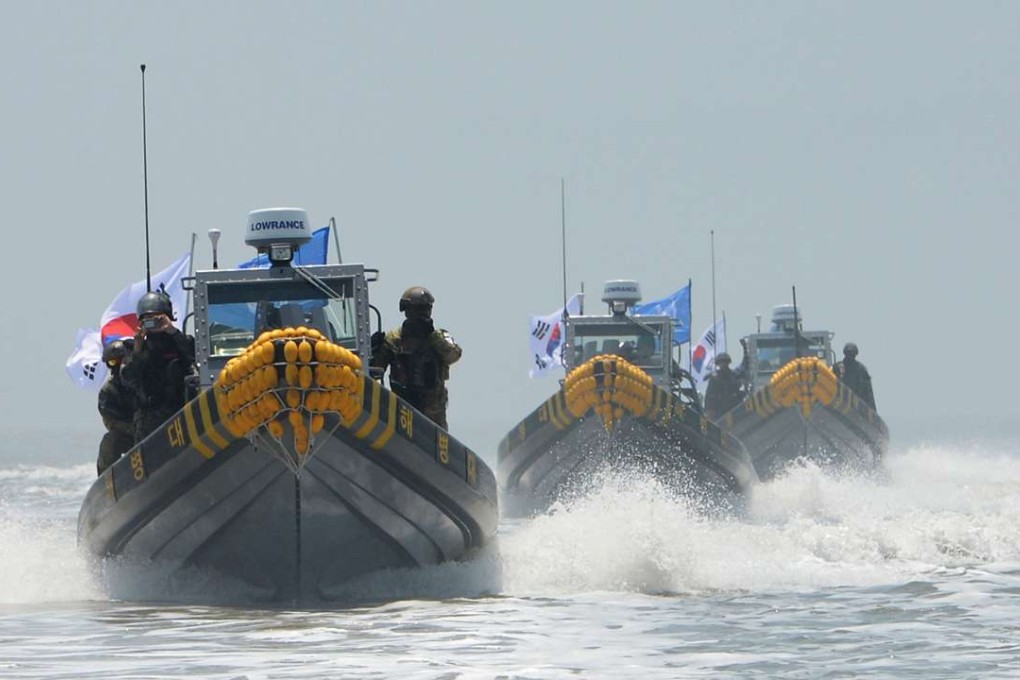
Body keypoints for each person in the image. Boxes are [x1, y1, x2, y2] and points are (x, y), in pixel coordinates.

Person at [370, 286, 462, 429]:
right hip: (403, 408)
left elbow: (454, 355)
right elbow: (375, 369)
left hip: (433, 412)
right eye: (418, 309)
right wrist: (374, 350)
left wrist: (433, 337)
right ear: (407, 310)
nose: (422, 313)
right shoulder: (395, 339)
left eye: (425, 309)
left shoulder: (437, 337)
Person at [120, 290, 198, 444]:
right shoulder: (136, 349)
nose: (153, 324)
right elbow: (128, 379)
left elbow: (194, 355)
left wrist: (172, 331)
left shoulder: (180, 342)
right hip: (150, 418)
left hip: (181, 410)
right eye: (147, 320)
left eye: (157, 319)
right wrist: (138, 350)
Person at [96, 339, 136, 475]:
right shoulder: (108, 391)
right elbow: (111, 421)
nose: (118, 366)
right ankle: (107, 484)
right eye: (113, 362)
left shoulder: (144, 378)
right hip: (130, 433)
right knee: (110, 442)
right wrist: (133, 428)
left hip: (154, 426)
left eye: (122, 360)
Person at [833, 342, 876, 410]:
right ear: (845, 353)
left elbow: (868, 392)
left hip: (857, 405)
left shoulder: (861, 369)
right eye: (848, 353)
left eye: (852, 354)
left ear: (855, 354)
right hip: (839, 403)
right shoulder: (837, 367)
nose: (850, 356)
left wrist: (872, 411)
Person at [704, 352, 745, 420]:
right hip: (719, 410)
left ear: (728, 363)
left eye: (725, 362)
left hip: (734, 408)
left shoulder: (734, 375)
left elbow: (738, 389)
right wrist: (710, 412)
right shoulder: (714, 379)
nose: (723, 364)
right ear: (718, 364)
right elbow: (710, 397)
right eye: (721, 362)